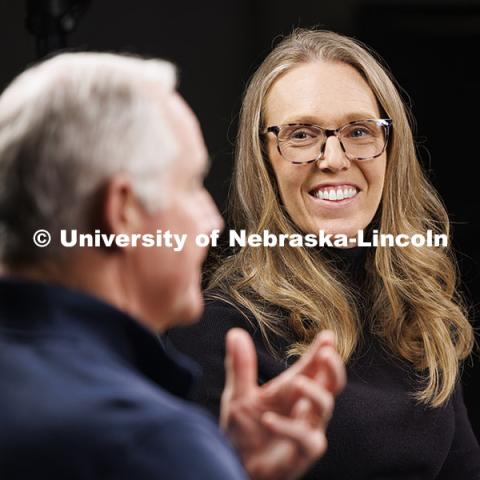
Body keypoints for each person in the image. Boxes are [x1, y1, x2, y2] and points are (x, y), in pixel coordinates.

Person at [0, 52, 347, 479]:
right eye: (190, 186)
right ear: (122, 211)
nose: (212, 222)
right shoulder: (154, 444)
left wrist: (234, 466)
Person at [168, 29, 480, 478]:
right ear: (264, 160)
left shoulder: (419, 311)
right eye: (300, 134)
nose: (333, 158)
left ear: (391, 149)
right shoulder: (218, 327)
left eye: (358, 131)